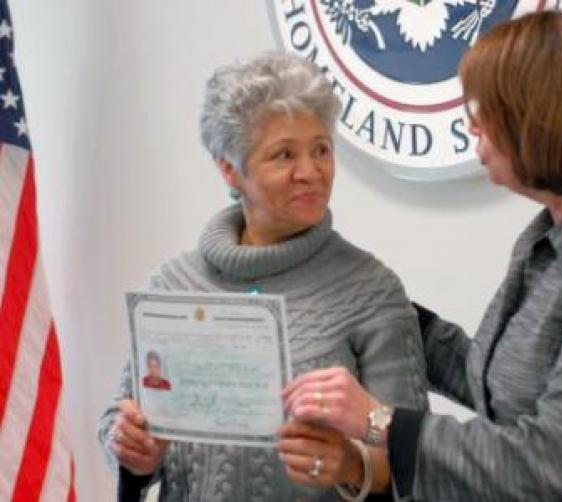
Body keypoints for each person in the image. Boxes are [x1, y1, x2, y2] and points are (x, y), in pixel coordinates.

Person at [282, 11, 562, 501]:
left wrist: (378, 423)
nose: (472, 131)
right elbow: (494, 385)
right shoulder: (553, 232)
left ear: (541, 119)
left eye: (484, 116)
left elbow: (544, 461)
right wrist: (384, 307)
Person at [98, 52, 428, 501]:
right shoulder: (173, 286)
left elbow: (415, 465)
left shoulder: (372, 291)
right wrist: (133, 450)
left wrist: (352, 465)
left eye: (321, 149)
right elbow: (121, 424)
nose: (310, 172)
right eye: (283, 155)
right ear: (230, 168)